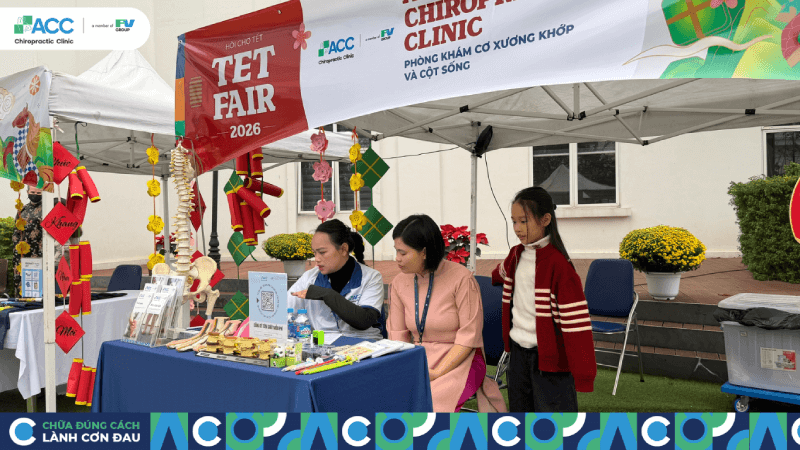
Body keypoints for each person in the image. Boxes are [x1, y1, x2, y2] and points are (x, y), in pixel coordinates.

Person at [387, 214, 507, 413]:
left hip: (461, 358)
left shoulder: (462, 279)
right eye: (396, 251)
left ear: (424, 252)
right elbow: (397, 335)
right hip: (417, 357)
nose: (397, 258)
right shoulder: (399, 282)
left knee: (432, 400)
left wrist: (437, 372)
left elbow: (468, 337)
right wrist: (409, 366)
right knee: (387, 393)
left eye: (403, 252)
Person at [491, 186, 596, 412]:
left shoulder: (560, 267)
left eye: (524, 221)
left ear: (545, 219)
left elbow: (576, 326)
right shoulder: (515, 255)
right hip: (517, 355)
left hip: (550, 360)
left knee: (553, 422)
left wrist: (584, 375)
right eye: (514, 222)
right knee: (520, 414)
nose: (517, 228)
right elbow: (500, 274)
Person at [288, 219, 384, 342]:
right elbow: (284, 311)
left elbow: (364, 320)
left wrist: (327, 295)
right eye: (314, 253)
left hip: (364, 344)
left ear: (343, 249)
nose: (316, 259)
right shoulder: (308, 278)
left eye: (322, 252)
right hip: (322, 345)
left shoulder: (371, 277)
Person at [12, 186, 42, 297]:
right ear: (28, 192)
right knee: (21, 281)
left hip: (38, 252)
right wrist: (16, 247)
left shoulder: (47, 209)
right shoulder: (22, 209)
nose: (35, 195)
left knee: (36, 283)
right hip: (22, 252)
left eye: (38, 193)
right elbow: (16, 230)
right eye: (33, 192)